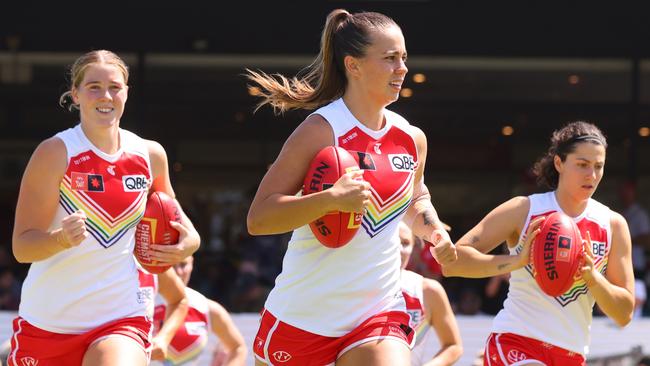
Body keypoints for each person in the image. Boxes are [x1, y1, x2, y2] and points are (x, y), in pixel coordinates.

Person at [245, 8, 454, 366]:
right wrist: (330, 200)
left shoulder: (411, 138)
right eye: (390, 59)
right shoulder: (321, 130)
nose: (402, 68)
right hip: (305, 316)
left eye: (403, 58)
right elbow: (259, 218)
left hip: (378, 311)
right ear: (353, 65)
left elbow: (415, 197)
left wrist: (433, 228)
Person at [9, 50, 201, 366]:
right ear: (75, 94)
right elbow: (22, 247)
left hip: (121, 315)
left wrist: (191, 241)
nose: (106, 95)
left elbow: (173, 213)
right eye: (94, 86)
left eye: (114, 86)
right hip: (49, 321)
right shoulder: (55, 152)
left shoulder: (149, 154)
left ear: (126, 92)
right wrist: (59, 239)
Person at [439, 121, 635, 365]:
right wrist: (516, 261)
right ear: (559, 163)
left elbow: (625, 314)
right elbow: (454, 263)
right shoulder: (525, 209)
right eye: (582, 165)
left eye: (598, 166)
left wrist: (594, 278)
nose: (592, 175)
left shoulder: (613, 225)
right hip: (516, 342)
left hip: (571, 354)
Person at [150, 255, 247, 366]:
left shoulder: (206, 308)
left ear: (192, 263)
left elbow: (238, 347)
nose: (178, 272)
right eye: (170, 265)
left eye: (183, 264)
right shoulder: (141, 302)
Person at [398, 222, 462, 366]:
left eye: (405, 243)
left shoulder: (428, 290)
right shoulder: (356, 285)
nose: (399, 249)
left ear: (415, 248)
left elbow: (453, 346)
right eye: (393, 241)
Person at [137, 266, 190, 362]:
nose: (178, 271)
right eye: (174, 265)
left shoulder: (205, 306)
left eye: (183, 264)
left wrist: (163, 339)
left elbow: (180, 301)